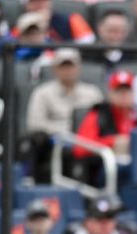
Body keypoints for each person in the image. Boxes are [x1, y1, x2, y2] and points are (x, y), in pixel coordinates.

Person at [24, 48, 103, 182]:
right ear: (55, 69)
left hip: (88, 141)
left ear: (79, 68)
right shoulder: (42, 93)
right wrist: (64, 130)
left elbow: (103, 120)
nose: (67, 71)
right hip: (56, 142)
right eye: (63, 66)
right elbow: (34, 124)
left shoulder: (92, 93)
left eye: (71, 66)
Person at [73, 71, 137, 168]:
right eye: (119, 91)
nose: (124, 95)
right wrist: (112, 142)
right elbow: (80, 149)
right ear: (110, 93)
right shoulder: (98, 114)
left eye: (127, 90)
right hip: (105, 169)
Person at [20, 0, 95, 43]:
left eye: (43, 1)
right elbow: (12, 43)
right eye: (34, 2)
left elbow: (88, 42)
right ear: (27, 5)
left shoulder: (72, 19)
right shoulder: (21, 23)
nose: (39, 5)